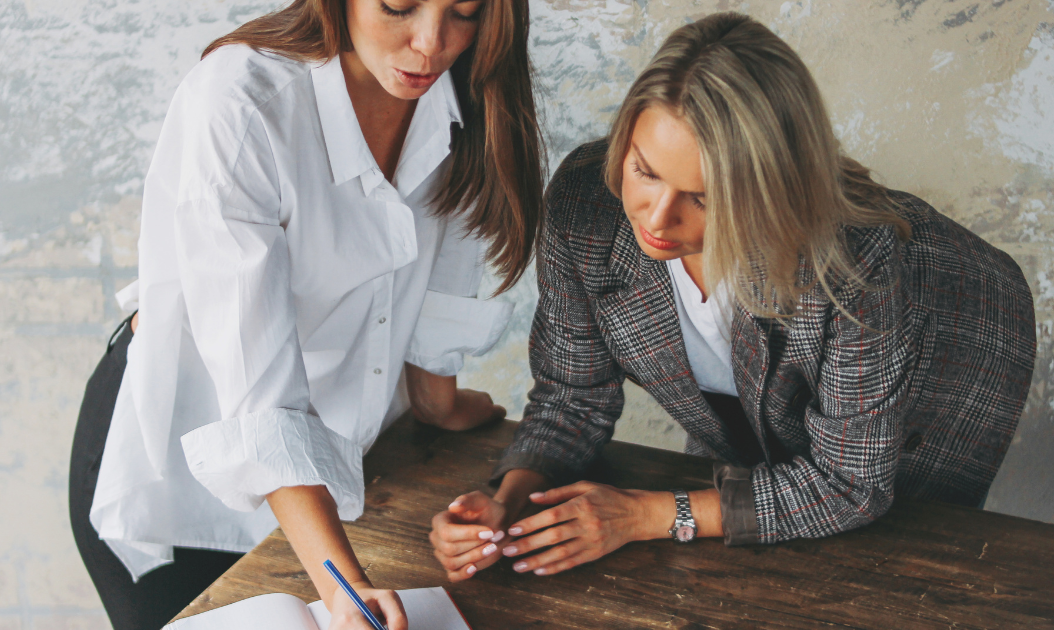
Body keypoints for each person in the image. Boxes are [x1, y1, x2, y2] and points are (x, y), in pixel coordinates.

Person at [428, 12, 1035, 582]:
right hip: (773, 382)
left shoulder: (855, 262)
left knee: (884, 560)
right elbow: (572, 399)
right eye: (645, 171)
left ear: (766, 191)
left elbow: (851, 484)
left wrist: (644, 515)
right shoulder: (585, 205)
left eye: (704, 197)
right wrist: (504, 502)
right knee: (739, 498)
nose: (657, 219)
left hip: (957, 347)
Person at [67, 0, 544, 626]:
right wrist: (348, 590)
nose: (432, 43)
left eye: (465, 11)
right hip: (184, 465)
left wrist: (442, 406)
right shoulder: (241, 102)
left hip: (341, 468)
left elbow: (430, 289)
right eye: (399, 5)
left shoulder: (462, 96)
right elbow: (260, 398)